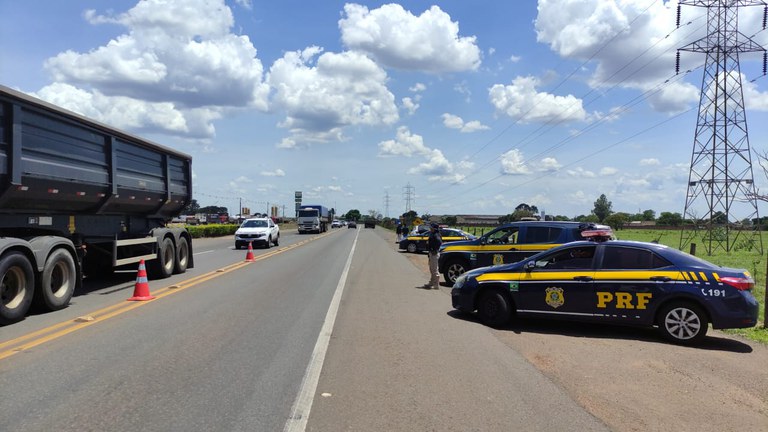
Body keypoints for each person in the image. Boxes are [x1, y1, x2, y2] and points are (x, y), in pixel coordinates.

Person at [423, 223, 442, 290]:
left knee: (434, 269)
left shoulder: (436, 234)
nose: (430, 228)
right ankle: (431, 283)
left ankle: (436, 285)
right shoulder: (432, 234)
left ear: (434, 228)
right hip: (431, 253)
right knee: (431, 269)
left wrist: (434, 249)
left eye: (431, 227)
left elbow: (439, 242)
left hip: (434, 253)